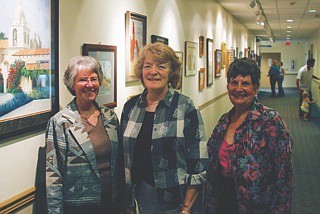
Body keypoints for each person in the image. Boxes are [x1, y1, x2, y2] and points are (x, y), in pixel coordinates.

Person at [120, 43, 208, 214]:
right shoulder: (131, 107)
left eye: (161, 66)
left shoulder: (185, 106)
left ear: (171, 72)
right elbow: (124, 158)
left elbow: (198, 161)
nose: (153, 72)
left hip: (178, 200)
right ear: (141, 71)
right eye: (148, 66)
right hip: (141, 197)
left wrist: (187, 208)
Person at [204, 58, 293, 213]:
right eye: (234, 83)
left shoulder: (271, 122)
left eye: (245, 83)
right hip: (222, 203)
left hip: (257, 208)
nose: (239, 89)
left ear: (255, 88)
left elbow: (283, 178)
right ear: (228, 86)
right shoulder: (223, 122)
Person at [45, 56, 125, 214]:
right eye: (82, 80)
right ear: (72, 85)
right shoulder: (60, 122)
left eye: (94, 79)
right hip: (78, 207)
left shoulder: (110, 117)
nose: (90, 85)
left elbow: (120, 163)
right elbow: (53, 174)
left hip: (112, 203)